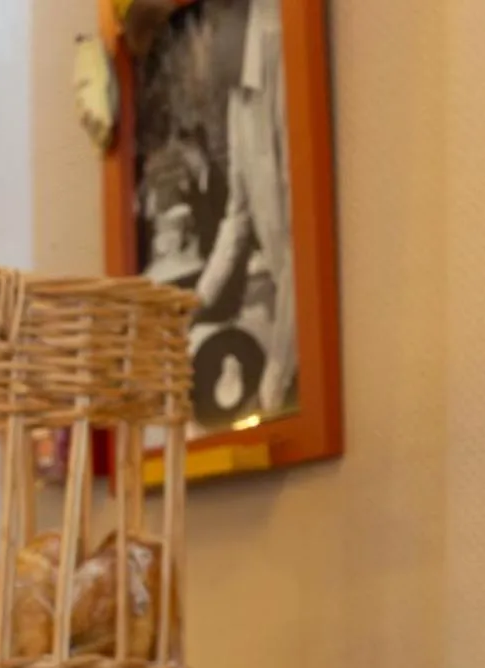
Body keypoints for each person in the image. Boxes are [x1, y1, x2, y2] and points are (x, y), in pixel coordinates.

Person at [193, 0, 297, 414]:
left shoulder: (282, 60)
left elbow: (301, 246)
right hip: (290, 316)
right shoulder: (237, 97)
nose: (204, 48)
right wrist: (194, 302)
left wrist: (275, 376)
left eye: (206, 30)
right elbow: (237, 216)